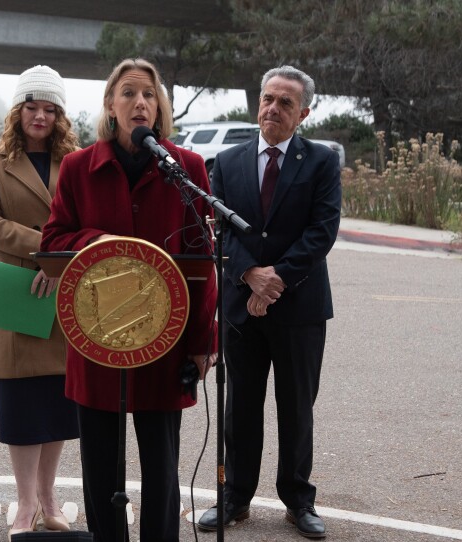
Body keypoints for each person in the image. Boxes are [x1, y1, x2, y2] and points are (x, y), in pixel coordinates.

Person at [40, 58, 218, 542]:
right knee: (100, 468)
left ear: (159, 108)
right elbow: (53, 240)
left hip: (165, 339)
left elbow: (203, 262)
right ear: (110, 105)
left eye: (149, 94)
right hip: (98, 339)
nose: (140, 102)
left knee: (161, 466)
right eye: (128, 93)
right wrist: (98, 242)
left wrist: (203, 342)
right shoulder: (78, 167)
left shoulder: (187, 168)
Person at [196, 65, 341, 539]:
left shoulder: (320, 162)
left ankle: (299, 500)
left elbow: (321, 231)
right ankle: (235, 497)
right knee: (240, 406)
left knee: (297, 406)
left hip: (299, 308)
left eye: (285, 103)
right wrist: (249, 276)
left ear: (304, 113)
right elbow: (217, 229)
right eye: (267, 99)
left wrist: (275, 280)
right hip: (242, 306)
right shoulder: (228, 162)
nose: (273, 108)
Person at [0, 65, 81, 541]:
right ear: (18, 111)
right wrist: (46, 250)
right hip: (16, 284)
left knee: (57, 400)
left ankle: (49, 498)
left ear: (60, 115)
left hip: (64, 287)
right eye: (32, 107)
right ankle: (25, 503)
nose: (40, 116)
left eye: (49, 109)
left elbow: (86, 219)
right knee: (19, 400)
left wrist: (59, 262)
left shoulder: (76, 159)